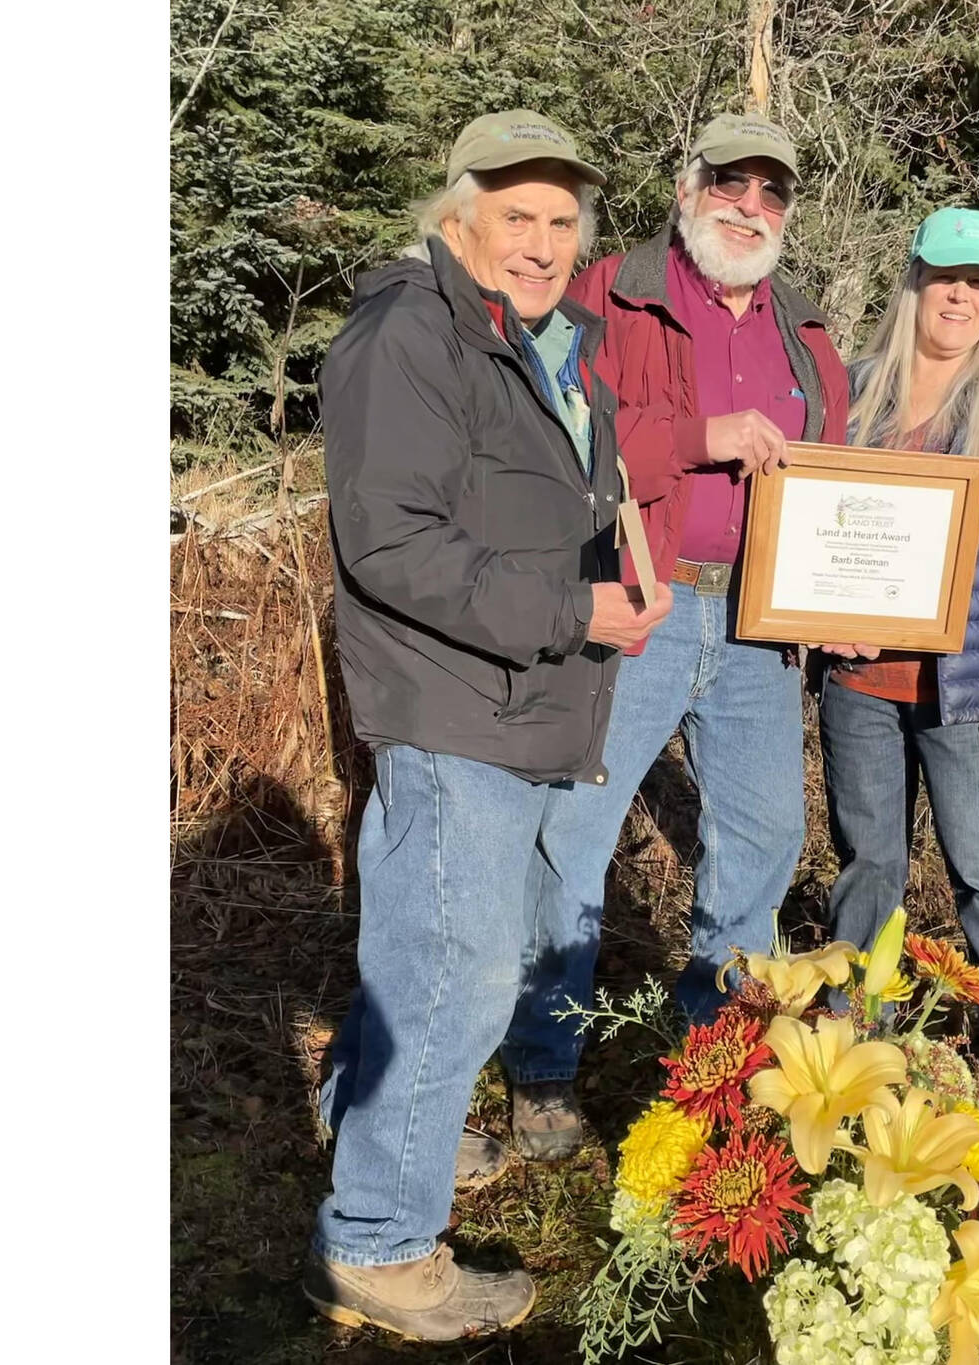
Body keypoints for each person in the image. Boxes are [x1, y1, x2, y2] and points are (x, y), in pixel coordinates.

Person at [305, 110, 672, 1340]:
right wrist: (576, 610)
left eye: (563, 221)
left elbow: (550, 510)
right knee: (451, 976)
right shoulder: (410, 330)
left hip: (517, 702)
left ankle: (381, 1175)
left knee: (447, 958)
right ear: (455, 211)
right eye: (518, 216)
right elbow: (393, 544)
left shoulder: (538, 345)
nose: (543, 242)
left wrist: (615, 583)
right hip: (457, 709)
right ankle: (381, 1248)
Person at [495, 114, 855, 1160]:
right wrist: (701, 440)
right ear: (687, 186)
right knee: (573, 840)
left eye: (770, 192)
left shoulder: (806, 328)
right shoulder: (604, 294)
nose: (749, 205)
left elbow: (830, 479)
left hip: (757, 623)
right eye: (730, 183)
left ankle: (716, 1066)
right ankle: (545, 1067)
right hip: (637, 605)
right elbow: (556, 439)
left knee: (760, 840)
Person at [819, 208, 979, 1129]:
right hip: (857, 688)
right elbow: (813, 534)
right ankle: (853, 1066)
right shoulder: (850, 394)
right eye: (944, 276)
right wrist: (817, 623)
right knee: (867, 869)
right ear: (915, 282)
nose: (960, 294)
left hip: (967, 696)